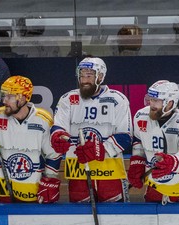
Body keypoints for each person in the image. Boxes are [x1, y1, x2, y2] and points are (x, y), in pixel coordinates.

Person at [0, 75, 62, 203]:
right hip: (6, 187)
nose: (4, 100)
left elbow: (53, 154)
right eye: (3, 95)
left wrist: (50, 180)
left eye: (9, 96)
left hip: (36, 189)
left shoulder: (43, 120)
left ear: (23, 98)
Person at [51, 57, 132, 203]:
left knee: (117, 220)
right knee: (80, 222)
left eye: (89, 75)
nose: (84, 80)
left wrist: (100, 149)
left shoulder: (118, 99)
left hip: (109, 173)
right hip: (77, 172)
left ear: (100, 76)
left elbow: (125, 136)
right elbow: (58, 128)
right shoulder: (68, 99)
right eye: (82, 75)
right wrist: (58, 137)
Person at [128, 80, 179, 203]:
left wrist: (171, 162)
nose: (151, 104)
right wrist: (137, 162)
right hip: (157, 187)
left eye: (156, 100)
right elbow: (138, 140)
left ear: (170, 103)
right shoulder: (140, 116)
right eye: (150, 99)